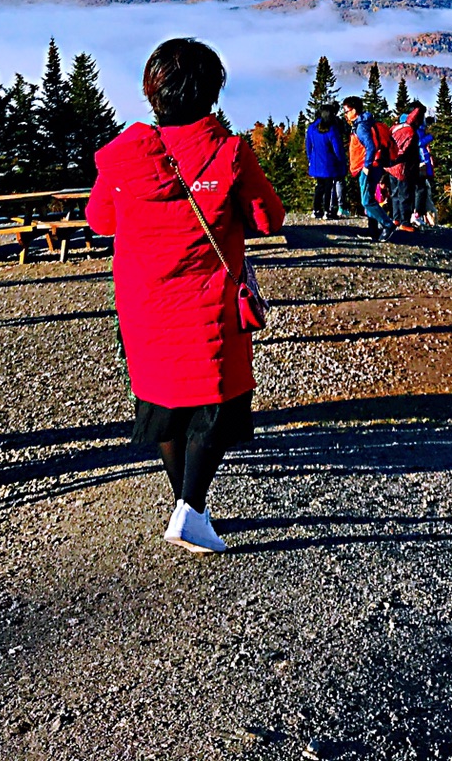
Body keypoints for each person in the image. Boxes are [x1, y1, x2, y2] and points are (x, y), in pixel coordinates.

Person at [85, 38, 285, 554]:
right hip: (208, 304)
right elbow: (269, 218)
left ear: (153, 91)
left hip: (143, 302)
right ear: (212, 92)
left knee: (165, 403)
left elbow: (100, 220)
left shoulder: (122, 157)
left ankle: (185, 502)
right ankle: (191, 510)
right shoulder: (229, 152)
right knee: (214, 404)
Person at [340, 97, 395, 242]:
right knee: (370, 197)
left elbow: (371, 147)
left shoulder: (361, 127)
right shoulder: (366, 122)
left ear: (354, 110)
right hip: (375, 166)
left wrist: (366, 166)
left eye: (347, 111)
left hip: (369, 167)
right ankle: (373, 232)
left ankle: (388, 225)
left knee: (367, 201)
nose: (345, 114)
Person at [388, 103, 425, 233]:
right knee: (405, 195)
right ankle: (405, 222)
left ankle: (396, 218)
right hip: (404, 168)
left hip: (391, 167)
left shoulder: (396, 127)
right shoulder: (410, 132)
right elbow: (405, 151)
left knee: (395, 194)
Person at [304, 110, 346, 219]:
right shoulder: (332, 130)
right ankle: (327, 211)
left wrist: (310, 158)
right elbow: (337, 149)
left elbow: (308, 146)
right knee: (329, 187)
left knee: (319, 186)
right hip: (329, 163)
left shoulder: (312, 129)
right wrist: (342, 160)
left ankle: (316, 209)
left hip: (316, 162)